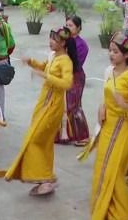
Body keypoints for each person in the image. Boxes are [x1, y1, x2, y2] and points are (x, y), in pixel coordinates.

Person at [6, 26, 76, 196]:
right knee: (42, 142)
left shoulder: (66, 61)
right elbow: (44, 67)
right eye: (51, 38)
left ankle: (46, 178)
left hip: (53, 106)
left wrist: (47, 77)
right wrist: (30, 62)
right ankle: (46, 177)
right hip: (43, 103)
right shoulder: (53, 56)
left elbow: (67, 83)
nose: (51, 42)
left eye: (55, 40)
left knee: (36, 140)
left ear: (64, 43)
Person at [87, 31, 128, 220]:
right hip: (107, 127)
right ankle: (105, 211)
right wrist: (102, 107)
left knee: (113, 172)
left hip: (124, 128)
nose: (111, 54)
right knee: (102, 169)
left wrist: (127, 106)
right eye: (110, 51)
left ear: (127, 55)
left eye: (116, 52)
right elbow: (108, 95)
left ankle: (123, 215)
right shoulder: (109, 72)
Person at [57, 16, 89, 146]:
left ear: (78, 28)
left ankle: (83, 136)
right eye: (66, 25)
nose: (67, 28)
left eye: (71, 25)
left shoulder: (82, 45)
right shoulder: (63, 41)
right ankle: (64, 134)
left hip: (75, 76)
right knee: (62, 105)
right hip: (63, 75)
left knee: (74, 106)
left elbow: (76, 64)